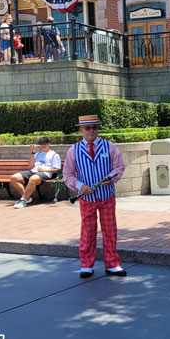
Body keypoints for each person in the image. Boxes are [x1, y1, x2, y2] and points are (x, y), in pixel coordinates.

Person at [63, 115, 127, 278]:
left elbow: (119, 166)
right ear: (81, 130)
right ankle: (86, 265)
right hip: (87, 199)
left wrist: (112, 177)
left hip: (107, 196)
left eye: (94, 127)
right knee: (88, 231)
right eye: (87, 128)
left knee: (110, 230)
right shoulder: (74, 150)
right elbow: (68, 175)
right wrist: (80, 186)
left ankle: (113, 264)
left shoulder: (109, 146)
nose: (92, 131)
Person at [9, 137, 61, 209]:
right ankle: (27, 197)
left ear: (49, 144)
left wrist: (44, 169)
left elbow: (56, 169)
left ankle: (23, 200)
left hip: (45, 173)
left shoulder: (54, 155)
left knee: (33, 178)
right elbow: (30, 166)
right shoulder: (38, 154)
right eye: (41, 144)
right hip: (33, 171)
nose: (43, 146)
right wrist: (33, 153)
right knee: (14, 178)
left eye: (45, 144)